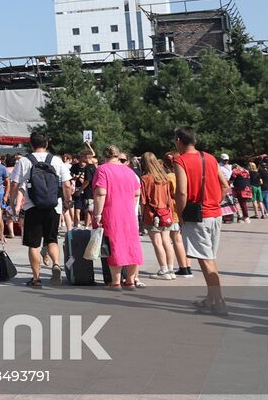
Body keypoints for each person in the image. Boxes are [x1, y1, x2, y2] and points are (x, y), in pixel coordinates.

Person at [172, 127, 226, 316]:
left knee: (206, 259)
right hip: (215, 213)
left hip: (197, 216)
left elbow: (182, 192)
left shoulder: (180, 160)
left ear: (179, 140)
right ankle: (211, 298)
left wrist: (181, 215)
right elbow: (225, 185)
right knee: (209, 257)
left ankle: (218, 302)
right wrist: (215, 201)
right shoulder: (209, 157)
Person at [11, 131, 69, 288]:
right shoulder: (56, 160)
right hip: (53, 206)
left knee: (34, 245)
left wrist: (12, 201)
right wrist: (66, 201)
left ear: (31, 144)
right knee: (52, 239)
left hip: (32, 207)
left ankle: (36, 279)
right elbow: (67, 184)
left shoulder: (24, 161)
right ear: (47, 144)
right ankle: (56, 264)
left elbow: (15, 184)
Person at [91, 146, 144, 290]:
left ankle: (116, 282)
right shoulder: (129, 171)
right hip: (129, 213)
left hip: (111, 211)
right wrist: (130, 207)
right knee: (131, 244)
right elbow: (137, 193)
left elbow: (101, 193)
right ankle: (131, 280)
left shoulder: (102, 169)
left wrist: (97, 214)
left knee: (114, 245)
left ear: (105, 155)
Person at [139, 152, 178, 280]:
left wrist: (142, 218)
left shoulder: (145, 178)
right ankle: (171, 269)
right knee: (167, 241)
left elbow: (143, 201)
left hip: (153, 213)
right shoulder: (164, 178)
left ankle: (163, 269)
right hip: (166, 212)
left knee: (157, 242)